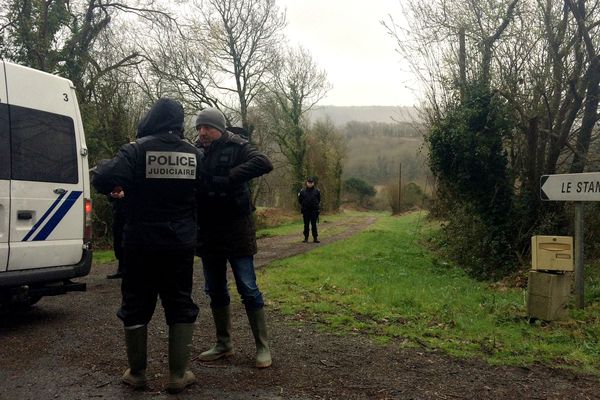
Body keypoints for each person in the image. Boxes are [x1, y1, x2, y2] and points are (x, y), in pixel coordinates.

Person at [92, 98, 201, 394]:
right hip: (179, 243)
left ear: (152, 118)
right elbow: (206, 190)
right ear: (178, 122)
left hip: (140, 242)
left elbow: (102, 176)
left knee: (137, 302)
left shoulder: (136, 149)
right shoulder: (194, 153)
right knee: (179, 301)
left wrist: (118, 187)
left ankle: (137, 373)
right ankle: (178, 374)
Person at [194, 107, 274, 369]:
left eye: (207, 127)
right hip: (208, 231)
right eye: (199, 127)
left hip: (237, 229)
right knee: (214, 289)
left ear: (219, 128)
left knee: (248, 288)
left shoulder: (238, 145)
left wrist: (229, 177)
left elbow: (263, 162)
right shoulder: (194, 151)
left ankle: (262, 347)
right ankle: (224, 344)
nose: (202, 132)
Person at [106, 190, 126, 279]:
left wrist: (125, 195)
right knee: (118, 243)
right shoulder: (116, 184)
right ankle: (121, 269)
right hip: (117, 217)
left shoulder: (131, 182)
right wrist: (112, 194)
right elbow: (109, 197)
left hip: (130, 217)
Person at [298, 177, 321, 243]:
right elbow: (300, 200)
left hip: (314, 210)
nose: (310, 184)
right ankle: (306, 238)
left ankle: (315, 238)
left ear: (313, 183)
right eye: (309, 183)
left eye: (311, 183)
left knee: (314, 224)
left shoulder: (317, 191)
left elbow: (319, 200)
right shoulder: (302, 191)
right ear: (306, 183)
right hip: (306, 211)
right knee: (306, 225)